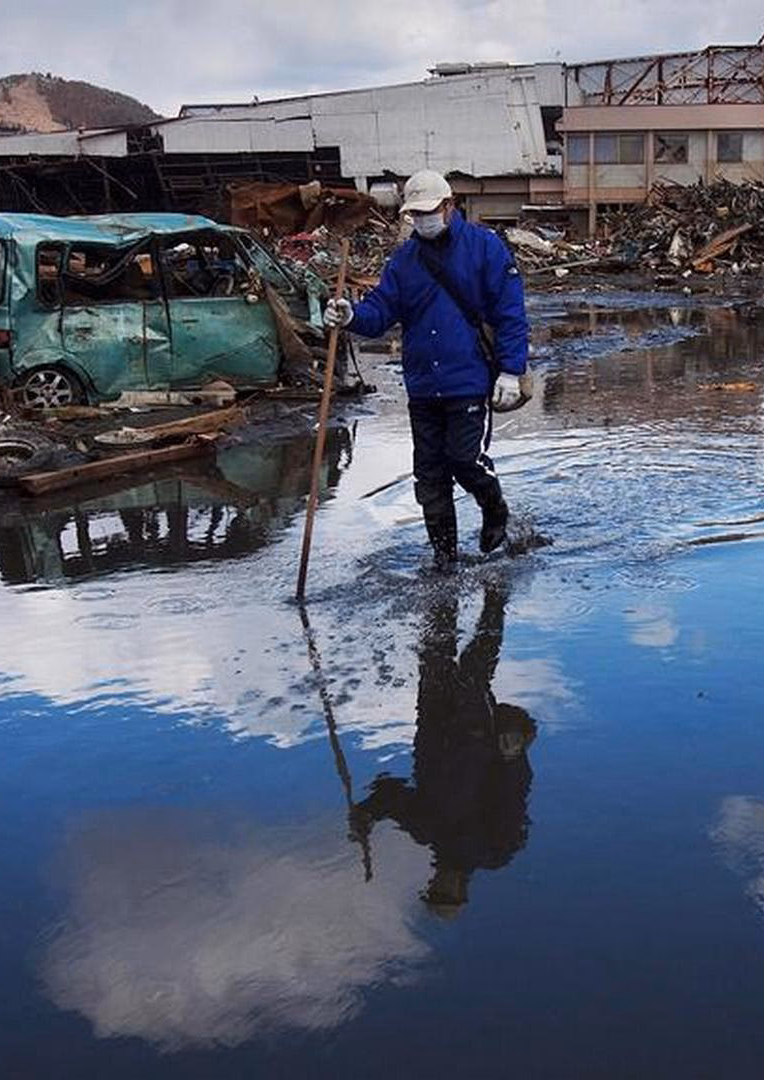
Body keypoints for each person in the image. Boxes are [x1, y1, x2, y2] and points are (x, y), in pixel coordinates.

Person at [326, 170, 528, 569]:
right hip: (422, 384)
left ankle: (494, 507)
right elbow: (381, 310)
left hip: (468, 379)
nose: (421, 220)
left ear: (449, 207)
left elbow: (510, 313)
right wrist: (351, 315)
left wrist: (510, 369)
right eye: (413, 214)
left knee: (464, 460)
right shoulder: (404, 260)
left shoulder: (485, 248)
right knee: (430, 476)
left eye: (428, 211)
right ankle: (444, 558)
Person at [350, 582, 536, 918]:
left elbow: (392, 797)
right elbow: (514, 797)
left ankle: (443, 587)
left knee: (435, 650)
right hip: (475, 730)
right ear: (463, 892)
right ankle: (496, 592)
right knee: (475, 663)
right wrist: (513, 758)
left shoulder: (426, 831)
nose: (441, 886)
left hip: (434, 722)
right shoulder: (493, 850)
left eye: (435, 890)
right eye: (447, 893)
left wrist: (367, 813)